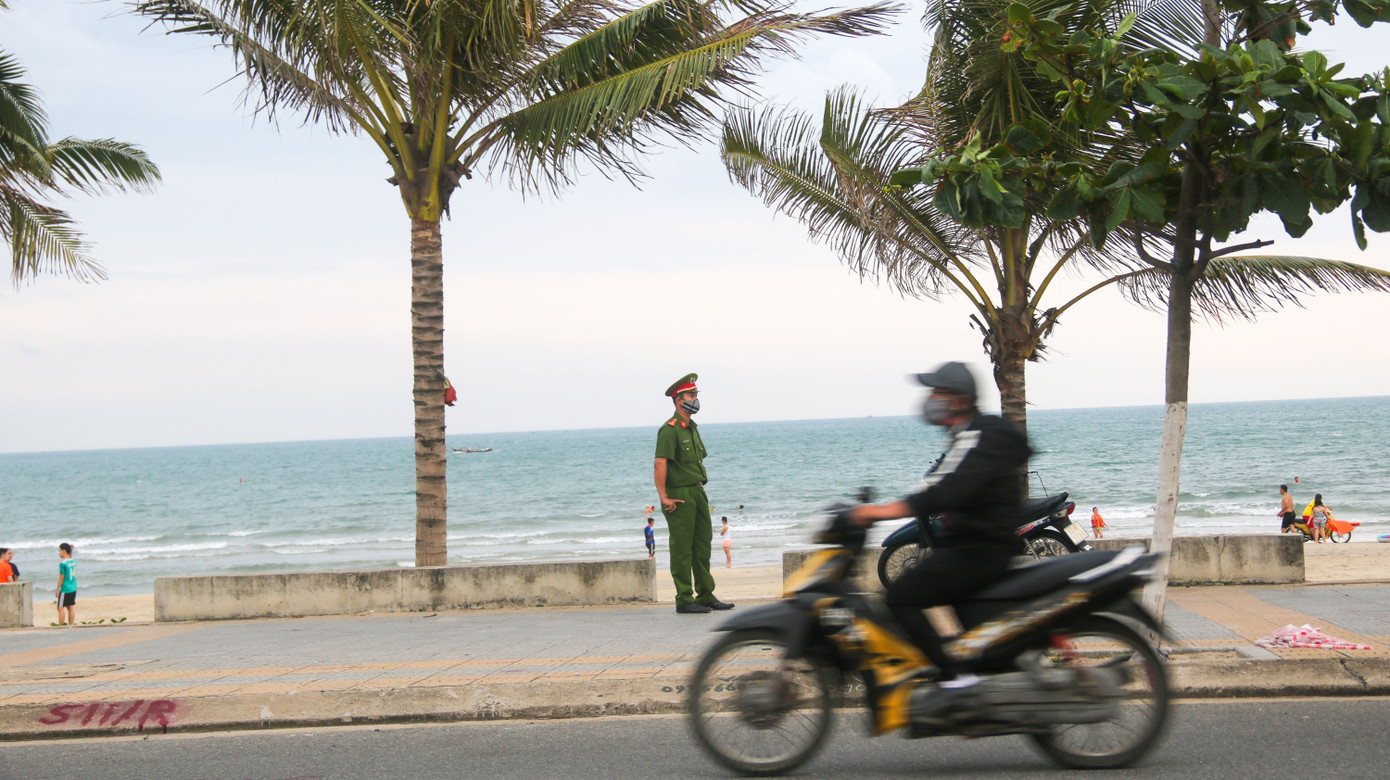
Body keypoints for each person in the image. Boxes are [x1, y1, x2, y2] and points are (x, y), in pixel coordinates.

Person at [849, 361, 1030, 716]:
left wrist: (875, 512)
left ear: (959, 400)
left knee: (901, 596)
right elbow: (943, 484)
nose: (931, 399)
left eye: (938, 392)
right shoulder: (969, 434)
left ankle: (955, 680)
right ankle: (961, 670)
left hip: (981, 549)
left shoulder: (976, 435)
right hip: (975, 545)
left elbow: (941, 492)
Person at [654, 373, 733, 614]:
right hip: (680, 495)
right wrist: (663, 496)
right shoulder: (670, 430)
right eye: (691, 395)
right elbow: (660, 464)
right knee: (682, 549)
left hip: (698, 492)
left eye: (696, 394)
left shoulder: (691, 428)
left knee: (702, 546)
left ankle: (706, 595)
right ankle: (685, 599)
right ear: (679, 400)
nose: (695, 399)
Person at [56, 542, 77, 626]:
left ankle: (61, 625)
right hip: (73, 587)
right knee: (70, 606)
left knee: (60, 607)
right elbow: (70, 556)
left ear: (64, 551)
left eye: (60, 550)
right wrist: (71, 550)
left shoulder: (63, 564)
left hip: (65, 588)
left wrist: (58, 589)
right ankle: (70, 624)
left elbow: (61, 577)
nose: (59, 553)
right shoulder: (73, 561)